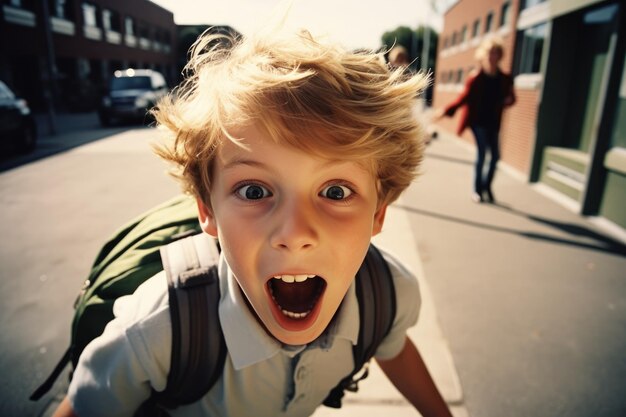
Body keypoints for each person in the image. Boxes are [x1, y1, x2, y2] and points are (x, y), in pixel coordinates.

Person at [52, 26, 453, 417]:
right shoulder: (158, 329)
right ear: (207, 209)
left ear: (378, 214)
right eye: (254, 191)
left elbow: (393, 347)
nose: (295, 235)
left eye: (335, 192)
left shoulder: (386, 295)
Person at [435, 36, 516, 203]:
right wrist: (446, 110)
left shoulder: (505, 79)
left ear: (500, 56)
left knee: (495, 157)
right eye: (489, 53)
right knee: (481, 154)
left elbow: (512, 97)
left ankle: (487, 187)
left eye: (495, 53)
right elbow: (463, 98)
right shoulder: (476, 78)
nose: (492, 57)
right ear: (484, 55)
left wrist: (509, 101)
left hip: (494, 122)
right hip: (478, 122)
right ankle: (477, 190)